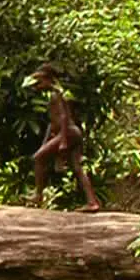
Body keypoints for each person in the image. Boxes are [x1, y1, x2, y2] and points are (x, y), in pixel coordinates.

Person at [29, 63, 100, 212]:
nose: (37, 86)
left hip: (68, 132)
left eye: (40, 82)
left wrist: (63, 141)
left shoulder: (57, 94)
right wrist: (46, 142)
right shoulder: (57, 93)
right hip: (72, 132)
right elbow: (52, 123)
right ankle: (92, 201)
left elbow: (63, 117)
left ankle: (38, 194)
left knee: (38, 158)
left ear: (49, 79)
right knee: (77, 168)